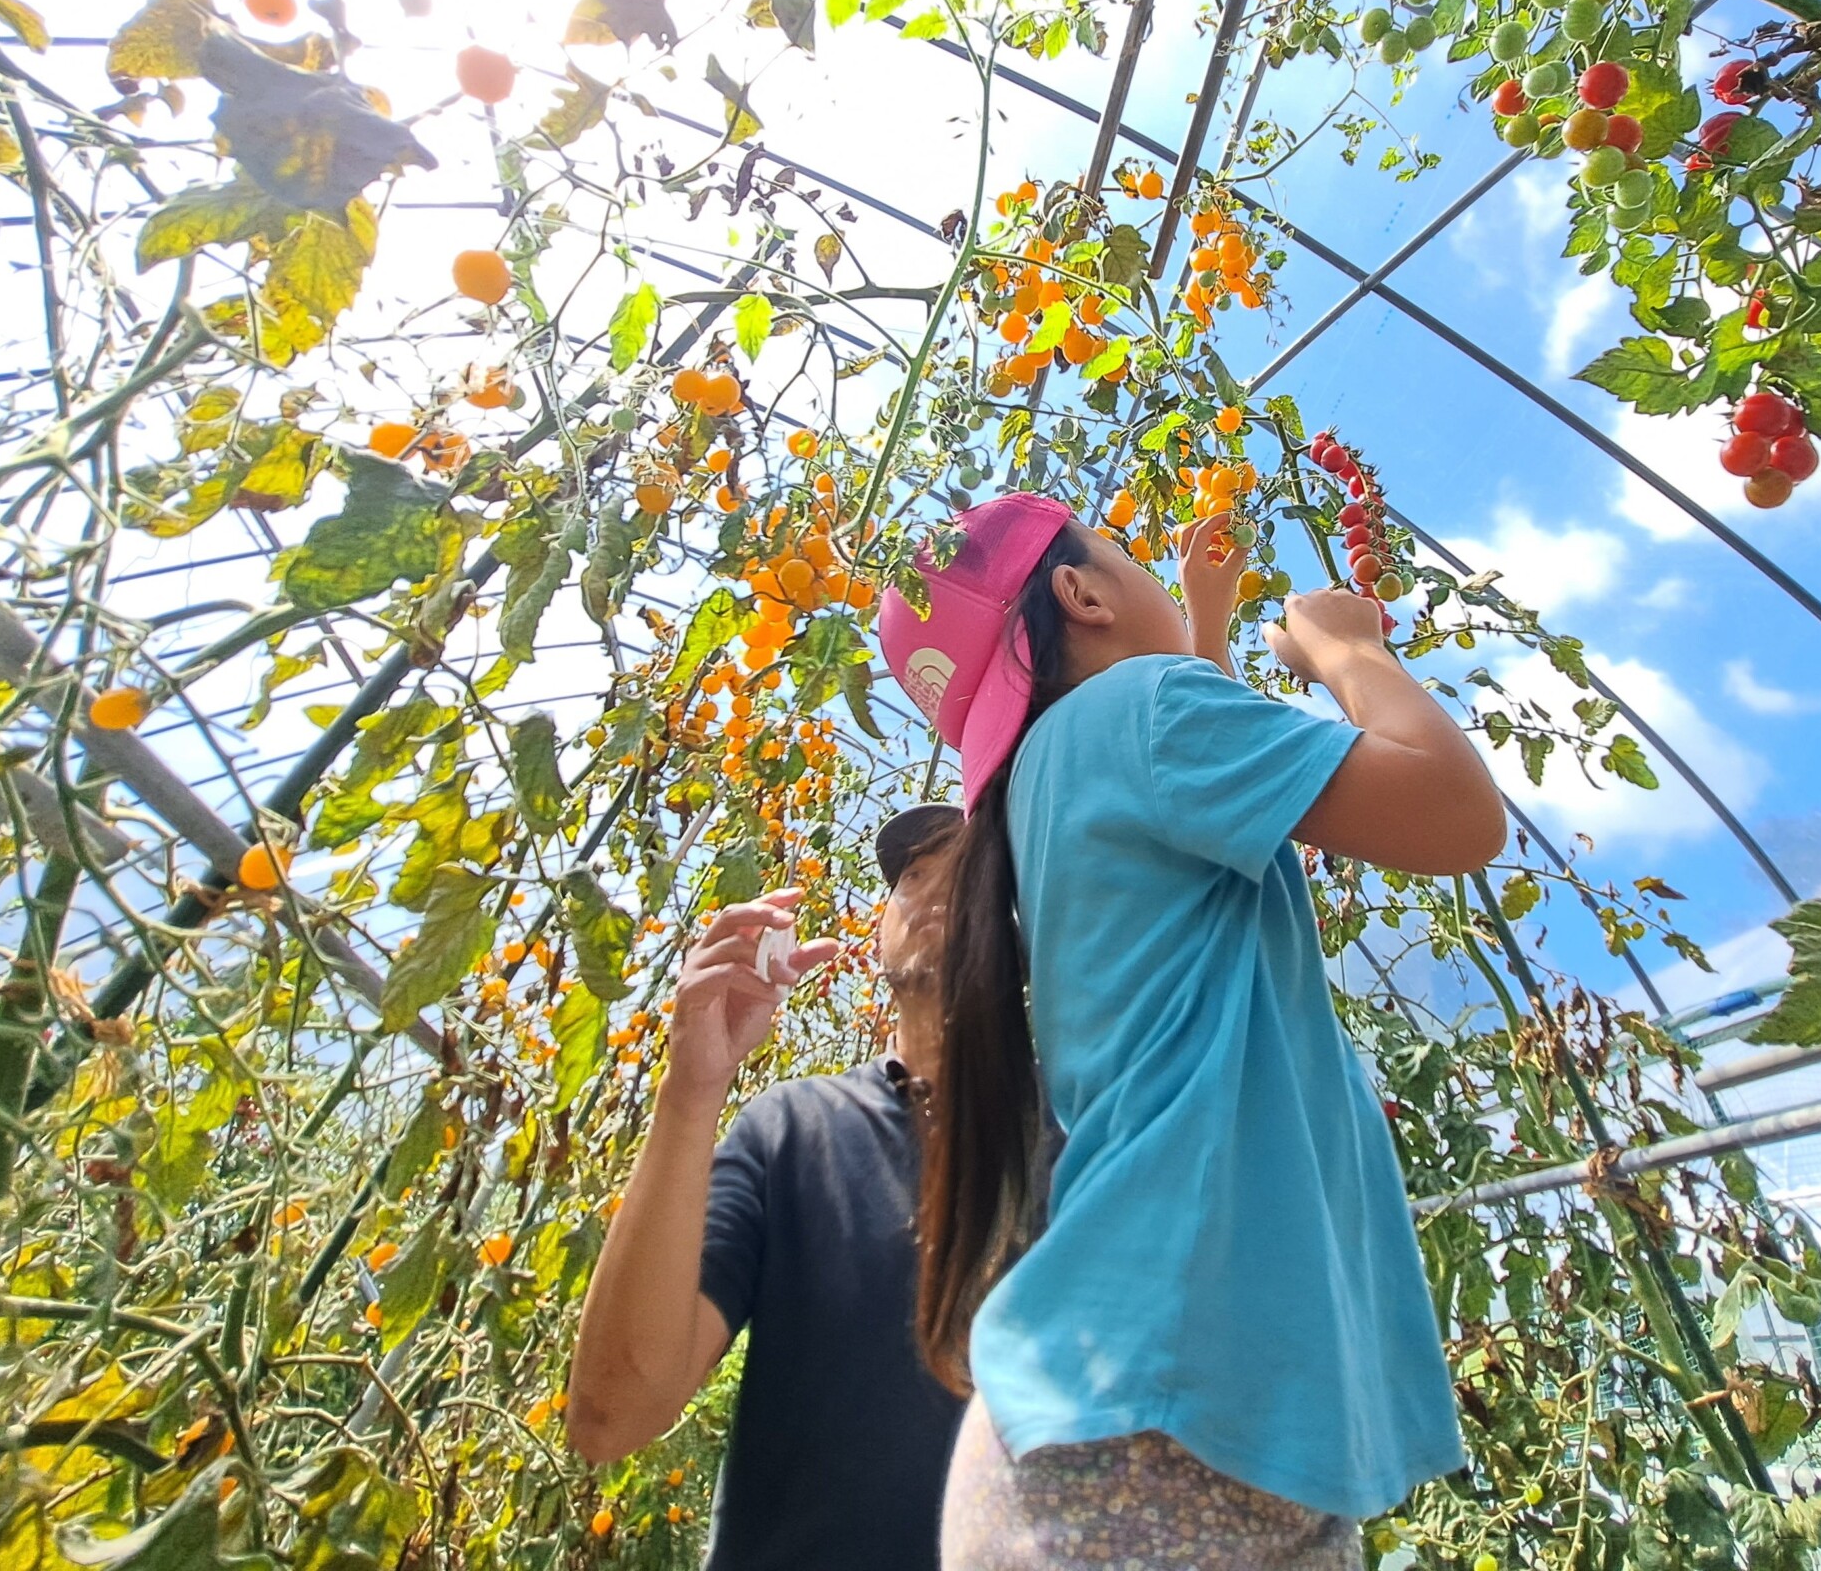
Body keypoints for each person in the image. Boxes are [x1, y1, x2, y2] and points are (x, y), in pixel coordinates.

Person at [876, 493, 1502, 1569]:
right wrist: (1348, 652)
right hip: (1161, 1424)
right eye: (1123, 558)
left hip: (1132, 1427)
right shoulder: (1145, 714)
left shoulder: (1050, 779)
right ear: (1080, 594)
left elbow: (1201, 816)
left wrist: (1201, 623)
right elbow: (1453, 810)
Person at [564, 805, 970, 1570]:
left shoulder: (1075, 1144)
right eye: (913, 876)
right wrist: (691, 1086)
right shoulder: (794, 1130)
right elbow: (609, 1416)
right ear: (880, 929)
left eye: (971, 874)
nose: (932, 893)